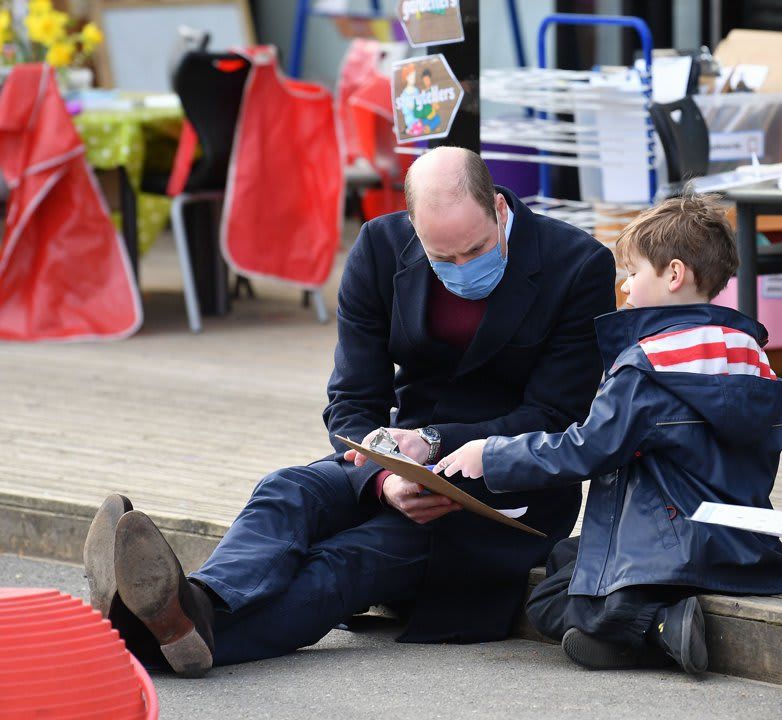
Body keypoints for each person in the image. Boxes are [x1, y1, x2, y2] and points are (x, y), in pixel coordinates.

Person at [81, 147, 617, 677]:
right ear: (413, 228)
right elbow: (352, 402)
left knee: (347, 559)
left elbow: (554, 418)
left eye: (476, 249)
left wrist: (433, 442)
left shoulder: (577, 265)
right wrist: (385, 475)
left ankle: (144, 639)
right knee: (286, 489)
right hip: (391, 460)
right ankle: (193, 608)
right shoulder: (381, 248)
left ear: (501, 208)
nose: (462, 269)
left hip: (507, 489)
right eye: (442, 257)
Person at [436, 194, 782, 675]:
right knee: (571, 555)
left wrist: (493, 455)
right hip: (742, 542)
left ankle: (658, 622)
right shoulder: (751, 354)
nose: (626, 287)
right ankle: (652, 632)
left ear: (673, 275)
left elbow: (588, 449)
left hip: (668, 546)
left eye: (633, 272)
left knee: (550, 600)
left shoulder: (648, 364)